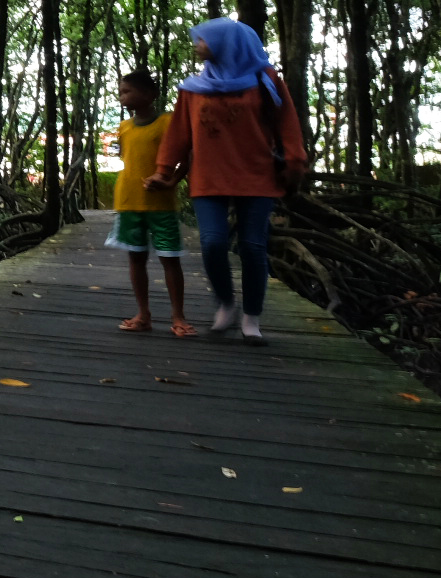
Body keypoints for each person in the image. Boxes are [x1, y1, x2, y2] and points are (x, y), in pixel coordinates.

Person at [145, 18, 308, 345]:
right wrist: (164, 170)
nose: (196, 45)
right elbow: (179, 133)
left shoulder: (266, 79)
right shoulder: (193, 88)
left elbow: (288, 126)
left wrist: (294, 166)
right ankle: (225, 303)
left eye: (202, 40)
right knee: (213, 242)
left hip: (257, 175)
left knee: (252, 246)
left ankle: (251, 317)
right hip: (208, 176)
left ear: (226, 43)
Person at [106, 68, 192, 336]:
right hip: (129, 200)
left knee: (170, 259)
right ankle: (143, 314)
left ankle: (178, 317)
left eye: (128, 90)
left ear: (150, 94)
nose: (122, 96)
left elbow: (186, 156)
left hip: (161, 203)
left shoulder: (168, 122)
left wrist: (172, 181)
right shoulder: (123, 127)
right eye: (121, 91)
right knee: (136, 258)